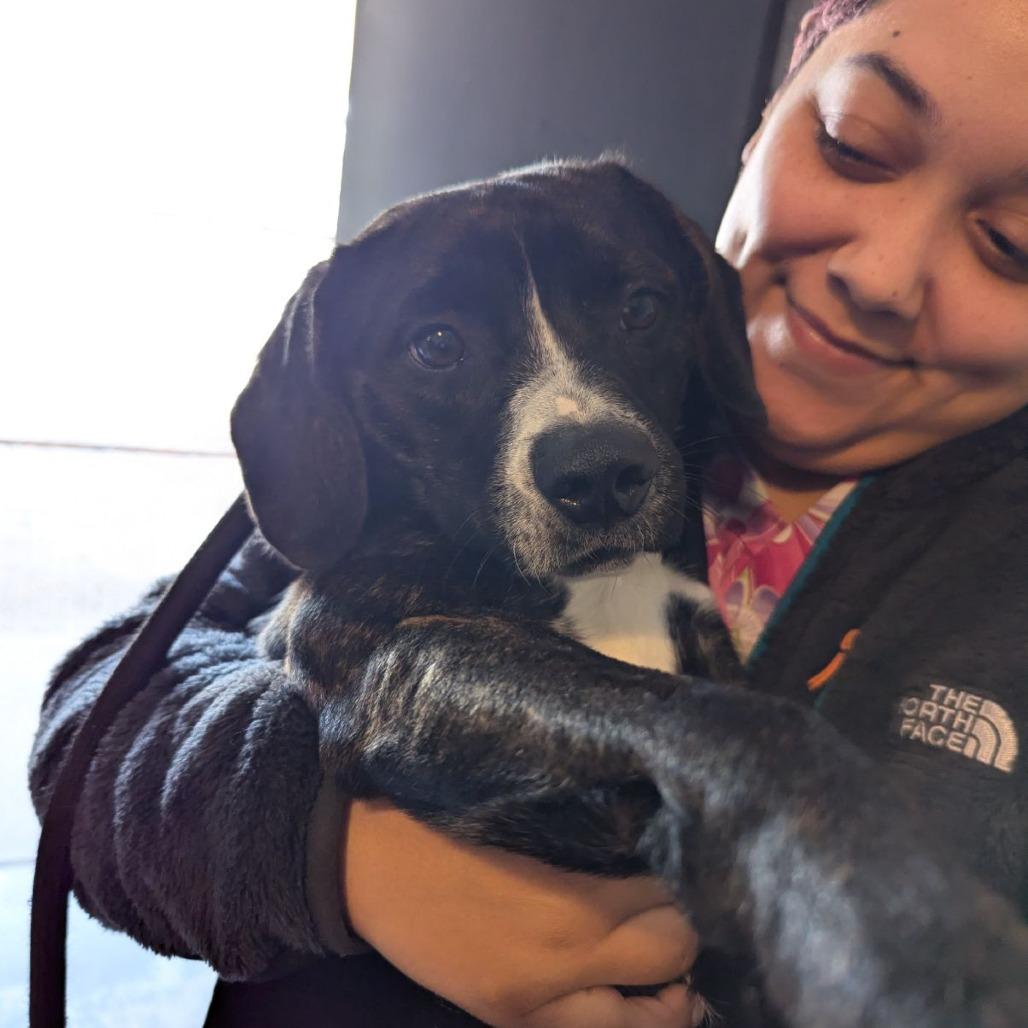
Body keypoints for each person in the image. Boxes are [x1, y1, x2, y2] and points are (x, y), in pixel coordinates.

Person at [29, 0, 1028, 1026]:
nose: (879, 277)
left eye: (1011, 243)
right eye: (855, 144)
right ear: (773, 104)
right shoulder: (374, 471)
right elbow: (93, 728)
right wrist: (329, 850)